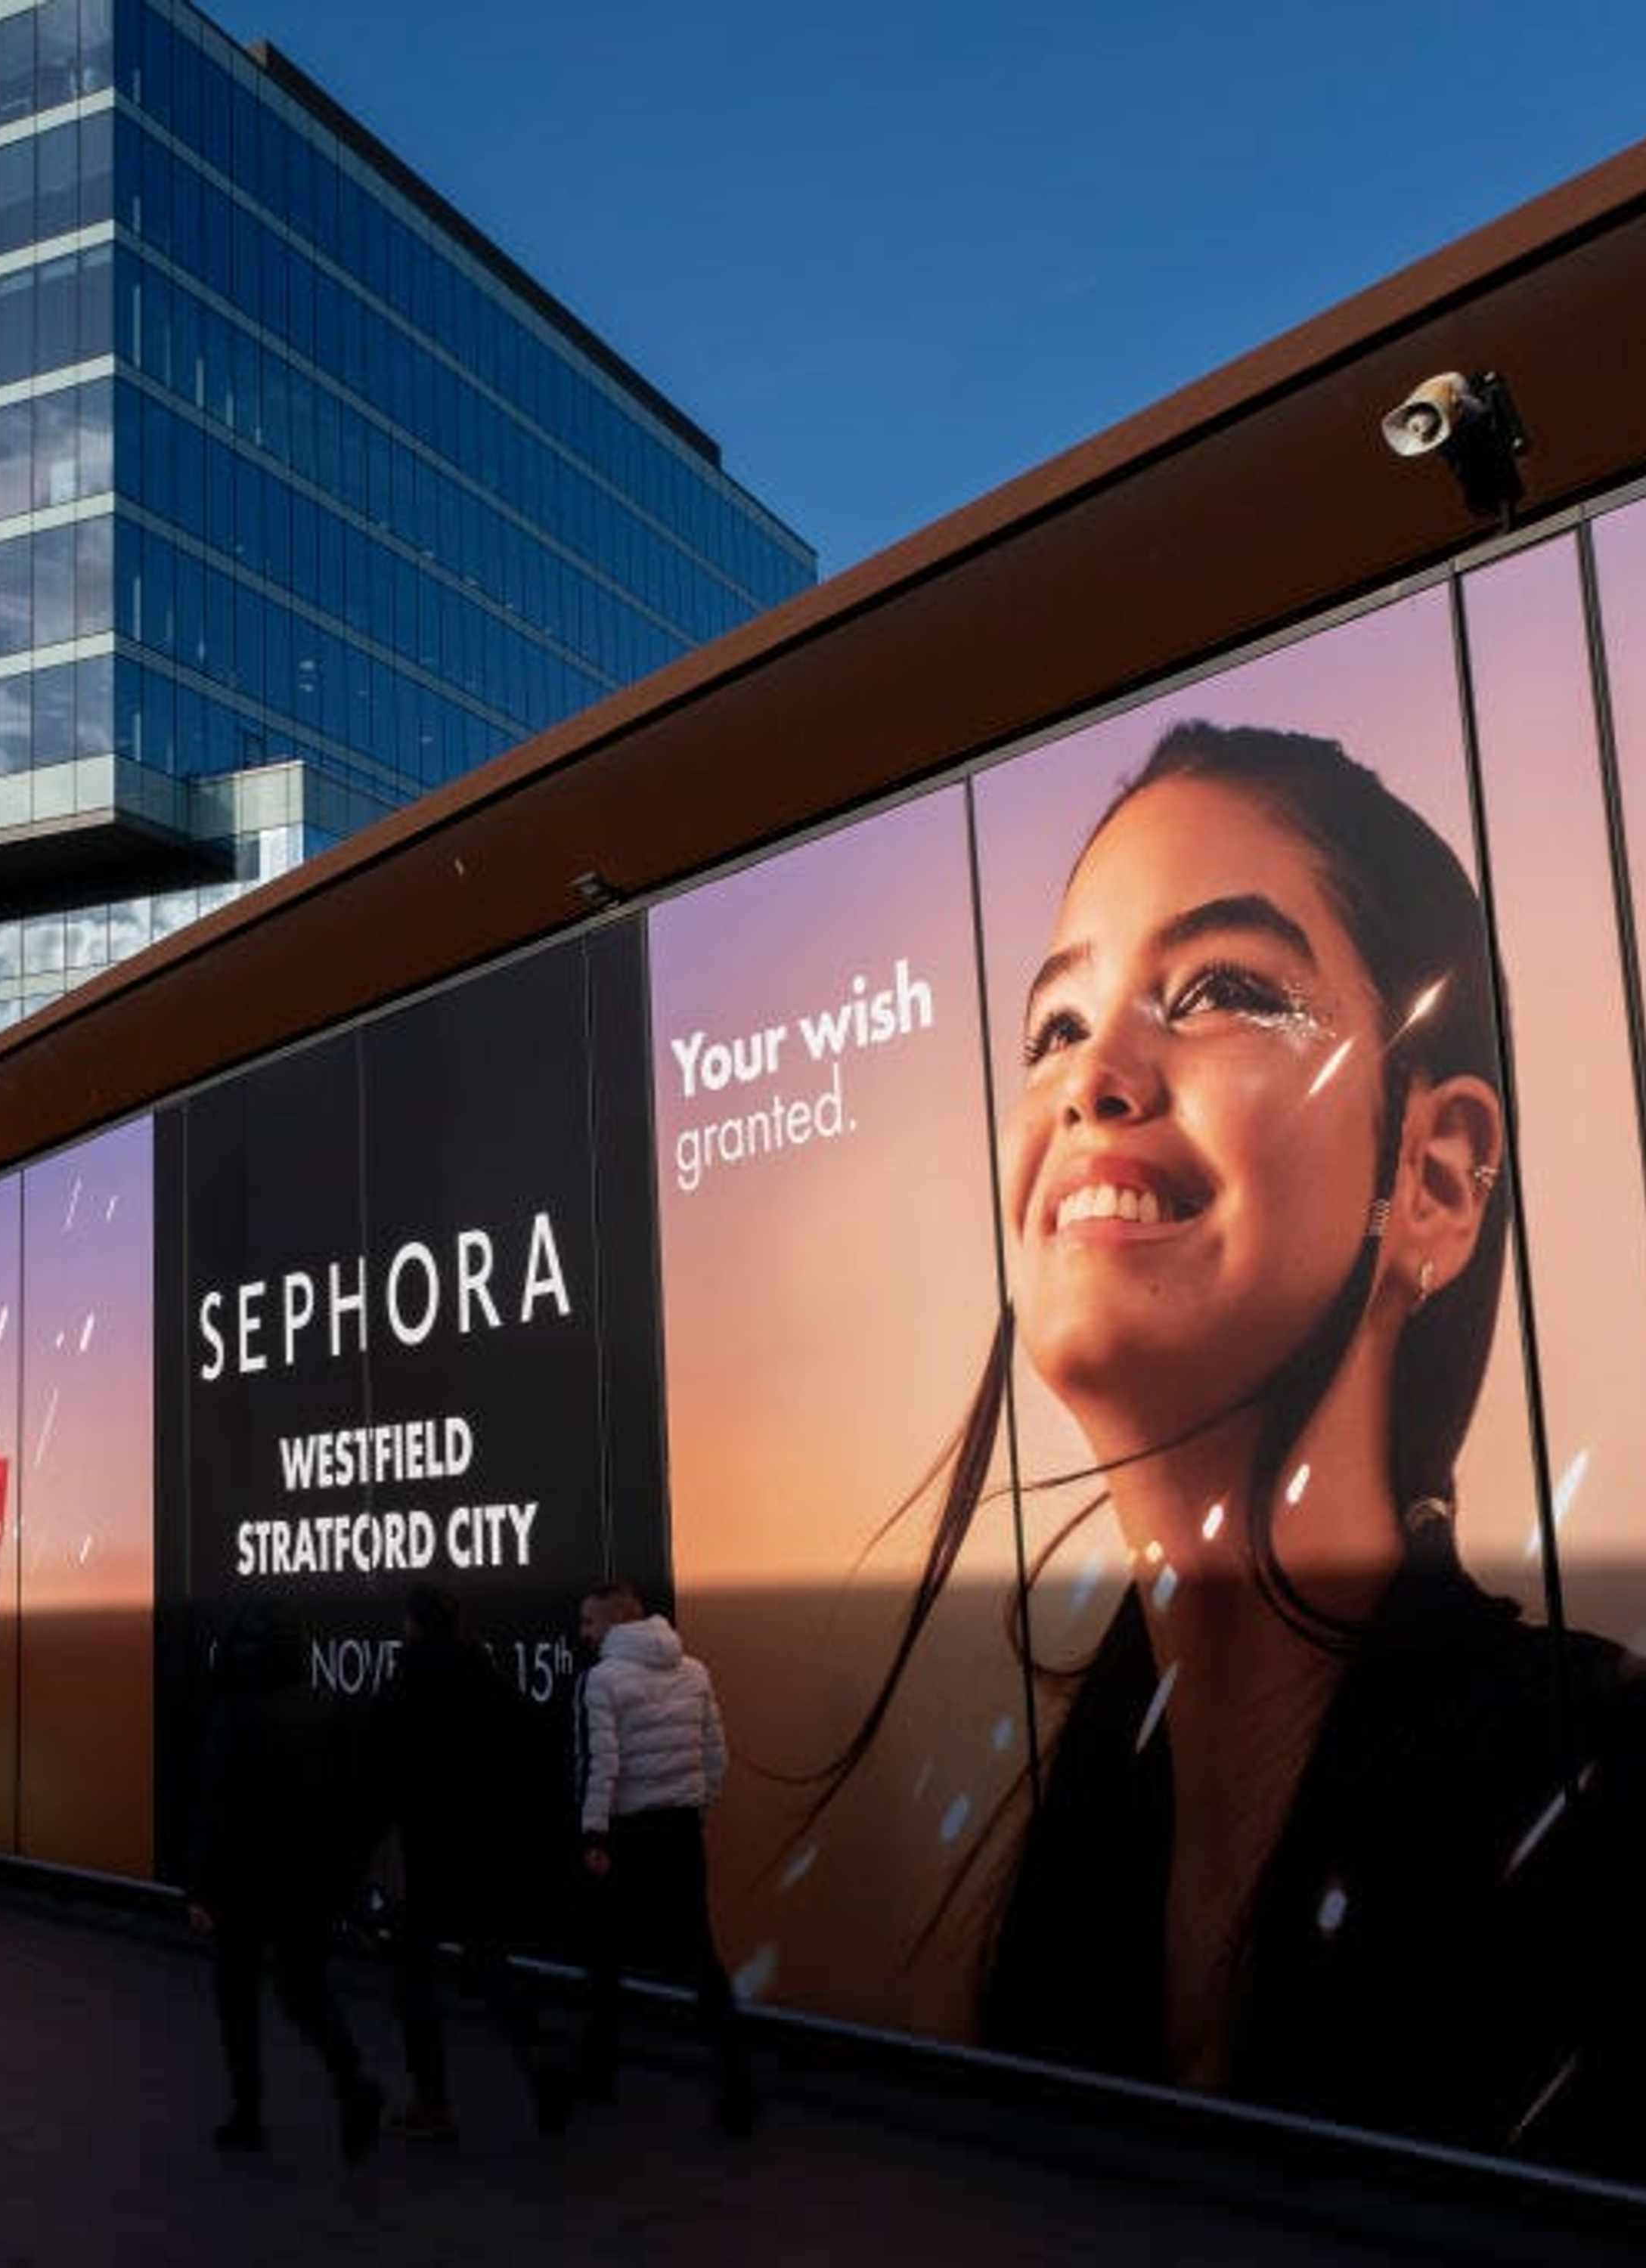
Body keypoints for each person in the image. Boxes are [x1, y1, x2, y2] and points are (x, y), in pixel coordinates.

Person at [811, 720, 1646, 2177]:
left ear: (1438, 1174)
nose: (1095, 1080)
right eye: (1057, 1026)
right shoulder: (1074, 1856)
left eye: (1222, 991)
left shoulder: (1603, 1804)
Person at [185, 1598, 383, 2162]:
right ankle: (352, 2082)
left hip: (244, 1883)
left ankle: (248, 2115)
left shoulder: (233, 1712)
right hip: (309, 1882)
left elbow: (216, 1806)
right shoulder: (329, 1707)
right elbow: (357, 1803)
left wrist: (201, 1888)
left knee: (237, 1999)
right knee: (308, 1994)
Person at [371, 1583, 570, 2141]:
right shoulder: (490, 1681)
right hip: (483, 1848)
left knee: (413, 1978)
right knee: (488, 1959)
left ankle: (432, 2102)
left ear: (411, 1623)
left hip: (424, 1849)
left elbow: (379, 1770)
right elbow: (530, 1755)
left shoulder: (402, 1682)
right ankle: (536, 2057)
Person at [573, 1577, 752, 2134]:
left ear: (613, 1622)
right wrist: (694, 1810)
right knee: (700, 1955)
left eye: (588, 1622)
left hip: (627, 1835)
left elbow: (601, 1766)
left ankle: (598, 2074)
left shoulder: (601, 1681)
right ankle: (736, 2081)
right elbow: (717, 1756)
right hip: (679, 1832)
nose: (583, 1633)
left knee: (605, 1957)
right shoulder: (693, 1671)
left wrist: (594, 1836)